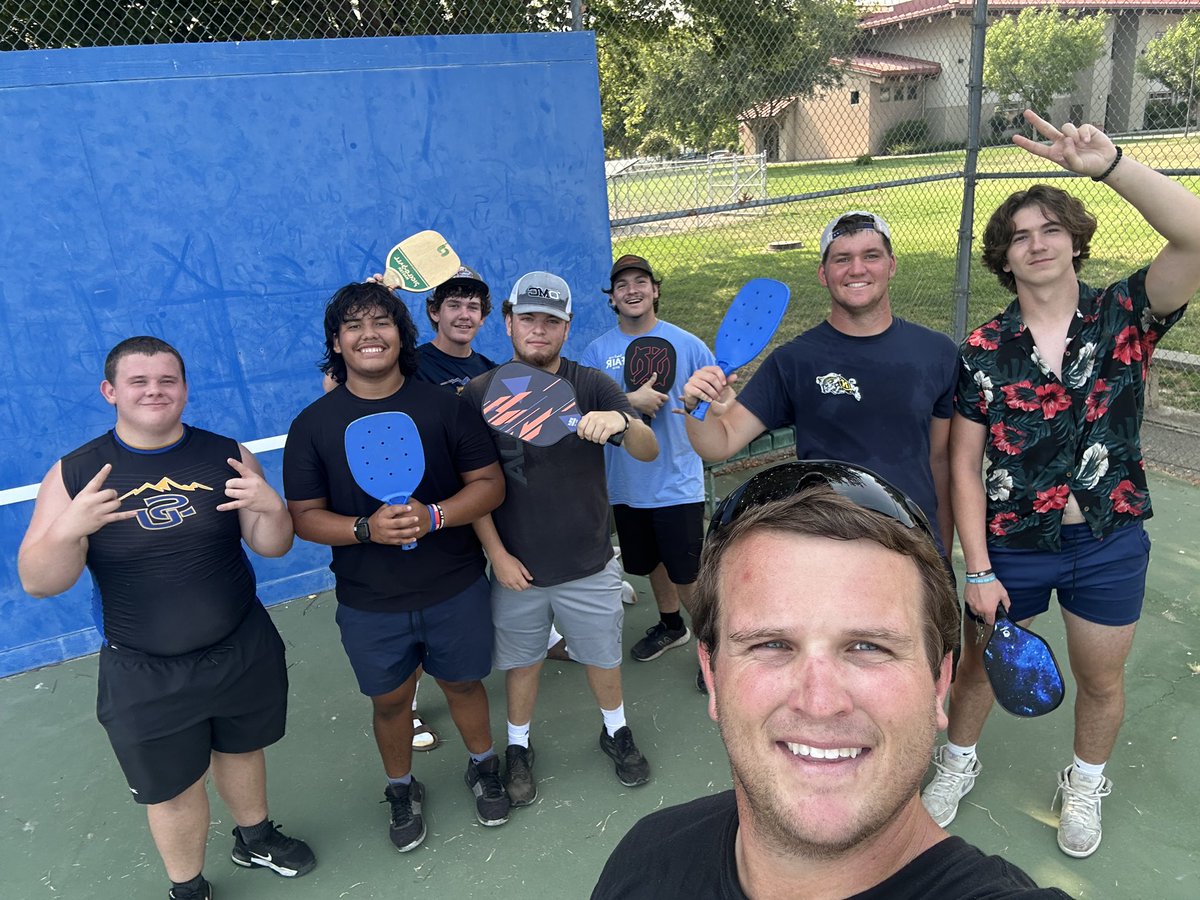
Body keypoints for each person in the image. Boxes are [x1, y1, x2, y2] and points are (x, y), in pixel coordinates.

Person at [592, 461, 1071, 899]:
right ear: (712, 677)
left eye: (869, 647)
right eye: (771, 645)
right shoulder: (644, 861)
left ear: (939, 683)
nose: (819, 702)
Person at [923, 110, 1200, 859]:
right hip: (1013, 545)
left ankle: (1084, 783)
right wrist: (975, 568)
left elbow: (1197, 236)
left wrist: (1111, 164)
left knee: (1099, 677)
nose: (1036, 243)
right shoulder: (982, 349)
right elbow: (963, 466)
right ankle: (956, 761)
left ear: (1074, 241)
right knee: (981, 666)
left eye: (1050, 229)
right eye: (1020, 236)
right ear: (1003, 259)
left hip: (1109, 539)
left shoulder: (1126, 316)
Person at [18, 336, 314, 900]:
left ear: (184, 388)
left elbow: (271, 545)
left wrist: (272, 506)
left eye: (167, 380)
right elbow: (39, 580)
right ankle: (188, 888)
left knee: (241, 750)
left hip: (240, 646)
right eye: (138, 381)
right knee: (172, 791)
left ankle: (254, 838)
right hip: (144, 670)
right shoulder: (77, 473)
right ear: (110, 392)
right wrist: (69, 526)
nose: (155, 391)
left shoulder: (224, 453)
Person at [283, 281, 510, 852]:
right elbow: (305, 517)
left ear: (401, 334)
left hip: (454, 588)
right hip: (369, 601)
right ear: (336, 342)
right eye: (353, 326)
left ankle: (483, 766)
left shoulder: (445, 406)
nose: (369, 335)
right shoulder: (311, 426)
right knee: (390, 702)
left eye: (381, 322)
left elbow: (489, 485)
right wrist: (365, 530)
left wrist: (434, 516)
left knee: (464, 684)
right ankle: (401, 787)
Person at [462, 271, 659, 806]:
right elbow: (473, 487)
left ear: (566, 328)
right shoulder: (479, 393)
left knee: (602, 657)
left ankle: (615, 731)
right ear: (507, 323)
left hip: (589, 562)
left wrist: (619, 421)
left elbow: (647, 448)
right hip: (516, 570)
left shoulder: (591, 382)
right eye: (528, 318)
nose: (539, 330)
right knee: (522, 663)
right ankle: (519, 746)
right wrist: (497, 555)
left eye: (552, 321)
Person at [679, 211, 958, 567]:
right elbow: (720, 442)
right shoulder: (794, 361)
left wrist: (941, 554)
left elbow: (939, 461)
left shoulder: (937, 352)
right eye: (842, 259)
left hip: (913, 546)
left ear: (891, 265)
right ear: (823, 275)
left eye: (871, 255)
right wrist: (694, 407)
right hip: (828, 547)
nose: (857, 269)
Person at [580, 255, 716, 668]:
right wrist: (629, 402)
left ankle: (716, 649)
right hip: (625, 484)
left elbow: (718, 405)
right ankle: (673, 625)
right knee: (652, 561)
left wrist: (699, 405)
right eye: (623, 285)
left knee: (687, 574)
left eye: (641, 282)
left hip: (676, 483)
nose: (632, 290)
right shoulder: (597, 352)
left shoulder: (689, 344)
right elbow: (586, 412)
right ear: (613, 298)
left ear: (655, 290)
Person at [413, 265, 498, 393]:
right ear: (435, 312)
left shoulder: (491, 374)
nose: (464, 315)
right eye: (454, 305)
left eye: (473, 307)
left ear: (482, 317)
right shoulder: (409, 366)